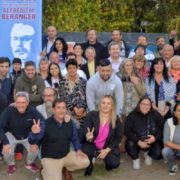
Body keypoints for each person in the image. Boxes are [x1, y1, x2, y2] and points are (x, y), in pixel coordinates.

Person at [28, 99, 90, 180]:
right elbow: (32, 141)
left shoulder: (69, 122)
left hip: (66, 154)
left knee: (85, 161)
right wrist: (34, 133)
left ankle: (66, 169)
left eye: (63, 108)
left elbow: (75, 138)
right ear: (53, 109)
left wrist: (78, 149)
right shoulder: (45, 124)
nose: (61, 110)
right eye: (58, 108)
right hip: (51, 158)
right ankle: (44, 170)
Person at [0, 92, 45, 175]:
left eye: (23, 102)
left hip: (27, 136)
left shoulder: (33, 111)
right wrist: (5, 142)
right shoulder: (9, 110)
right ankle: (11, 165)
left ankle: (29, 163)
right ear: (15, 102)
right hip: (12, 135)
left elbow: (43, 125)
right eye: (18, 102)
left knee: (35, 150)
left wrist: (37, 141)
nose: (21, 105)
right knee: (6, 151)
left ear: (28, 102)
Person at [82, 95, 122, 176]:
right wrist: (88, 136)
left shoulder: (116, 119)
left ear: (112, 106)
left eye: (108, 103)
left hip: (108, 145)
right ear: (100, 105)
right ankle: (89, 166)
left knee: (114, 164)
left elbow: (118, 137)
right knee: (85, 149)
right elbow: (85, 130)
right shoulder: (91, 115)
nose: (105, 105)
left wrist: (107, 150)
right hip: (93, 144)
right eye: (103, 103)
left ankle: (107, 160)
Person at [125, 96, 164, 169]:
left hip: (152, 140)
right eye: (143, 104)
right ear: (139, 104)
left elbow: (164, 128)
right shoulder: (132, 115)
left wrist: (155, 138)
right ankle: (135, 159)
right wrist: (138, 142)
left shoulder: (155, 114)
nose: (145, 106)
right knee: (129, 143)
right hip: (137, 140)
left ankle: (149, 155)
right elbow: (127, 131)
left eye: (148, 104)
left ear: (150, 106)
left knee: (159, 154)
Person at [117, 58, 146, 133]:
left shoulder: (138, 76)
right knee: (121, 130)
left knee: (134, 131)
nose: (129, 67)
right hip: (123, 109)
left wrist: (136, 83)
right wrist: (130, 78)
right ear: (123, 67)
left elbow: (142, 92)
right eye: (127, 65)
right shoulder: (118, 76)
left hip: (135, 109)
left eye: (130, 65)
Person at [59, 59, 87, 131]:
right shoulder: (62, 82)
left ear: (77, 68)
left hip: (83, 112)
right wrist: (74, 108)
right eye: (70, 68)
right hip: (69, 112)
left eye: (74, 68)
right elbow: (64, 97)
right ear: (67, 69)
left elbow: (86, 96)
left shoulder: (83, 81)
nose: (72, 70)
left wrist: (82, 109)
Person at [162, 103, 180, 175]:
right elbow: (166, 142)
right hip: (174, 148)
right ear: (174, 113)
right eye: (179, 110)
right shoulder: (169, 122)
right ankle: (174, 164)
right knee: (165, 151)